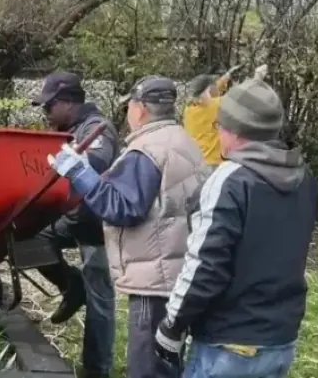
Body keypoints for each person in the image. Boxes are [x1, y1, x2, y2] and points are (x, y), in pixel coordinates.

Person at [154, 79, 318, 378]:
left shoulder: (230, 179)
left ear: (234, 129)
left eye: (219, 125)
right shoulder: (302, 177)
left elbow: (206, 265)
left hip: (229, 344)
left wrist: (172, 325)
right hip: (280, 339)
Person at [47, 75, 209, 378]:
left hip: (154, 278)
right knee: (167, 358)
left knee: (147, 364)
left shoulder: (146, 151)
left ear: (141, 109)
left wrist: (81, 176)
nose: (129, 113)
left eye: (130, 105)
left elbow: (122, 207)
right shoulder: (184, 141)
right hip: (180, 269)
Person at [30, 70, 118, 378]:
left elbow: (97, 163)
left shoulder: (97, 129)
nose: (46, 114)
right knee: (31, 242)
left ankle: (96, 369)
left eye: (48, 107)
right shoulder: (73, 127)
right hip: (75, 218)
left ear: (67, 102)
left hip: (97, 223)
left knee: (101, 300)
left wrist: (71, 161)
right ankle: (72, 284)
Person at [183, 65, 268, 166]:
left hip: (197, 162)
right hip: (213, 164)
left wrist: (228, 75)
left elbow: (212, 90)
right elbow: (240, 95)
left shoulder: (189, 109)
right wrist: (258, 76)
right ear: (208, 90)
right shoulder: (214, 106)